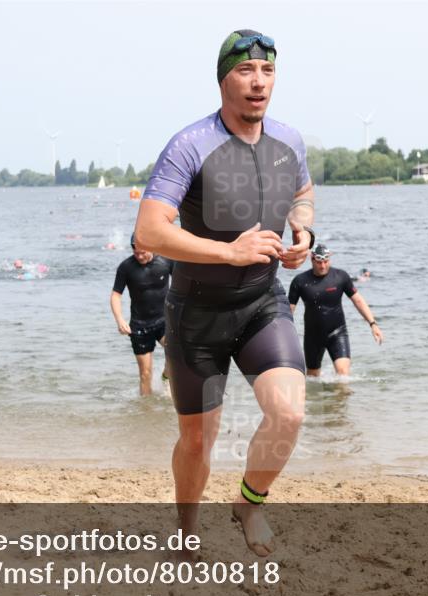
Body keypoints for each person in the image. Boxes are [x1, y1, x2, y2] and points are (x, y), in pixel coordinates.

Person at [134, 29, 315, 556]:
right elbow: (149, 230)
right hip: (195, 313)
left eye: (267, 71)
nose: (258, 83)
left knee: (289, 414)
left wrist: (303, 233)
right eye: (245, 71)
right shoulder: (190, 144)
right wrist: (229, 252)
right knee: (197, 440)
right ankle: (187, 530)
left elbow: (302, 196)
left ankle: (248, 504)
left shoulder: (290, 142)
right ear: (223, 80)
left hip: (262, 302)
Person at [289, 244, 383, 377]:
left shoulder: (340, 277)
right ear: (312, 259)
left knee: (343, 374)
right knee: (312, 378)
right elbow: (289, 311)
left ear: (330, 259)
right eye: (319, 262)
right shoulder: (300, 281)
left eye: (326, 262)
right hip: (312, 337)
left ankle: (341, 398)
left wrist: (373, 324)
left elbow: (358, 301)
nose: (322, 266)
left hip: (338, 333)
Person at [110, 234, 173, 396]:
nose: (139, 256)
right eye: (135, 252)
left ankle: (166, 377)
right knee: (145, 374)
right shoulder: (126, 268)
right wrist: (120, 320)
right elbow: (116, 295)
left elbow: (184, 284)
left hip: (165, 321)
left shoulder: (166, 261)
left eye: (143, 252)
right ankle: (146, 410)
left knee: (176, 357)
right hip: (140, 326)